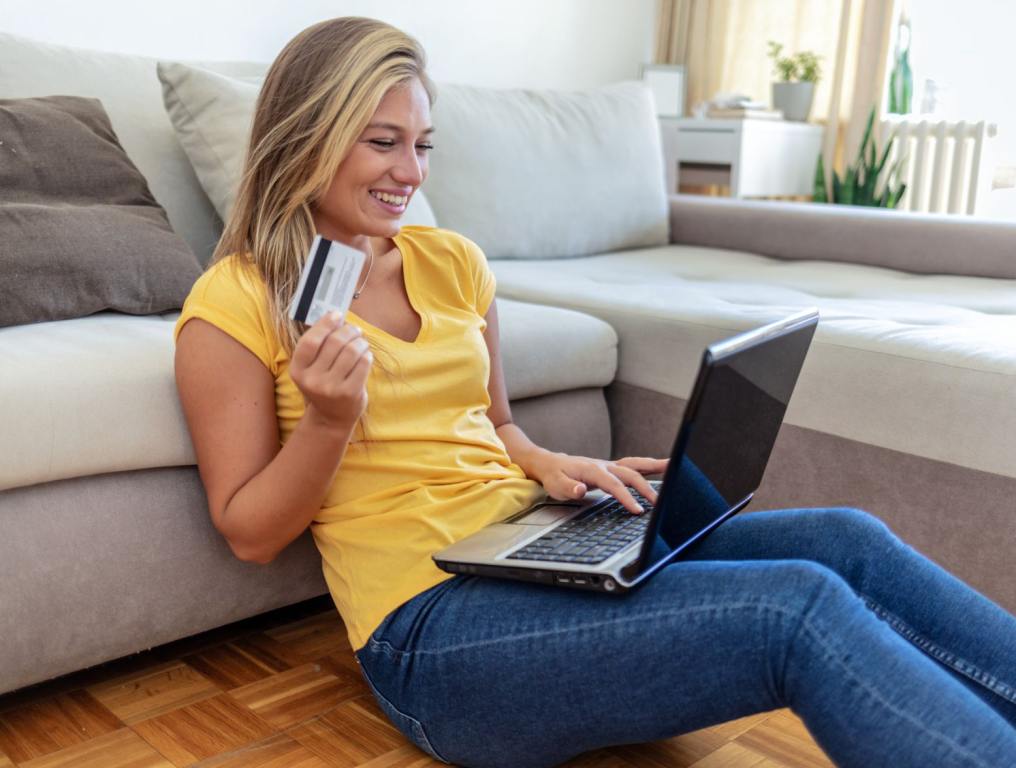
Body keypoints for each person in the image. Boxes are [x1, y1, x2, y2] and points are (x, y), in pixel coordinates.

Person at [173, 17, 1016, 768]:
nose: (409, 171)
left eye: (423, 144)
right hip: (432, 627)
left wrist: (549, 462)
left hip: (531, 546)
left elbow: (494, 420)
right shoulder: (238, 300)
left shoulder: (453, 261)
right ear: (309, 137)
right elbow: (250, 534)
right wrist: (329, 420)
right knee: (795, 610)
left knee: (848, 541)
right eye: (381, 142)